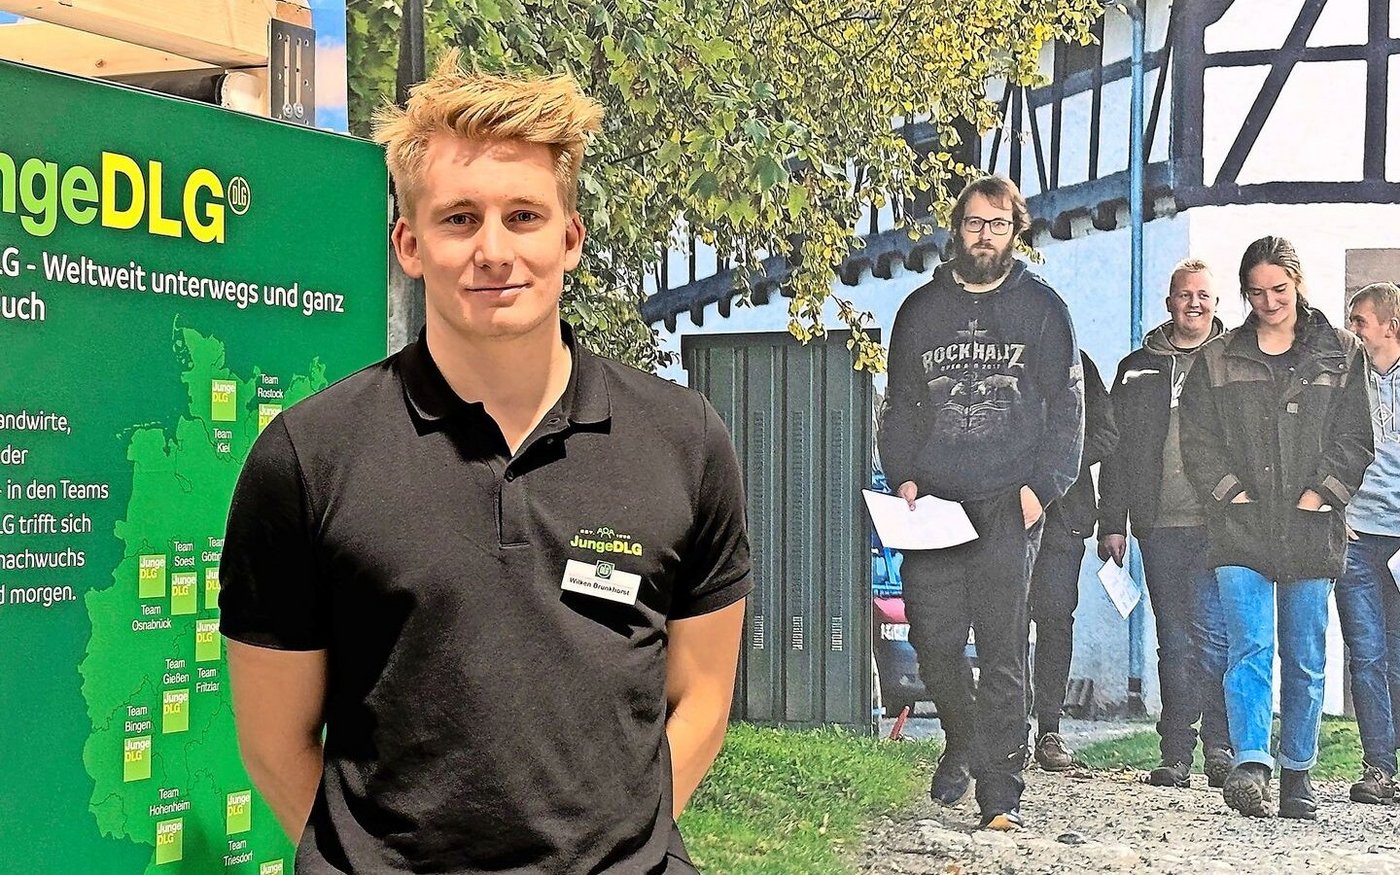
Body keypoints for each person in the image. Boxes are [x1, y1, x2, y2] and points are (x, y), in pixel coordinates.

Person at [218, 55, 751, 874]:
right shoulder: (308, 456)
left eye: (524, 216)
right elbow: (272, 739)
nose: (494, 250)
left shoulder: (684, 441)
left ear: (570, 238)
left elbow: (702, 698)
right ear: (409, 243)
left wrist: (616, 850)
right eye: (459, 218)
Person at [879, 174, 1084, 830]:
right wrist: (903, 476)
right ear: (957, 229)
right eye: (974, 223)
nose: (985, 235)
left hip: (1008, 501)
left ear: (1016, 230)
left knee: (1002, 647)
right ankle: (962, 737)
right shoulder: (920, 310)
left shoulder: (1043, 309)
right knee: (933, 637)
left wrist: (1041, 490)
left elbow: (1068, 408)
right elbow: (899, 406)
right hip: (935, 501)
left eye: (998, 224)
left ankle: (1001, 793)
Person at [1181, 236, 1372, 819]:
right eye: (1257, 292)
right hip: (1241, 527)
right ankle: (1251, 764)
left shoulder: (1341, 352)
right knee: (1251, 646)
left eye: (1279, 290)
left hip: (1312, 526)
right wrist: (1230, 494)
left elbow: (1356, 437)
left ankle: (1298, 774)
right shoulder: (1218, 357)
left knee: (1306, 655)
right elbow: (1197, 440)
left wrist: (1323, 494)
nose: (1269, 302)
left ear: (1298, 283)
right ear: (1244, 293)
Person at [1096, 259, 1233, 789]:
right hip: (1159, 526)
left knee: (1215, 638)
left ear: (1216, 303)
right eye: (1185, 295)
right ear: (1169, 302)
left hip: (1220, 525)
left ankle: (1221, 748)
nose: (1194, 303)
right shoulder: (1137, 368)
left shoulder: (1234, 360)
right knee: (1173, 642)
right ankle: (1175, 753)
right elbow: (1116, 451)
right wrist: (1113, 521)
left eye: (1204, 295)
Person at [1028, 350, 1117, 771]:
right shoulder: (998, 358)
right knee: (1003, 619)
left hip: (1063, 516)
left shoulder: (1077, 362)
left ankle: (1049, 729)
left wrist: (1059, 462)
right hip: (1000, 511)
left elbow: (1107, 434)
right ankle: (1008, 731)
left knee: (1055, 619)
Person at [1336, 281, 1400, 805]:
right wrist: (1335, 510)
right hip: (1355, 537)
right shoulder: (1342, 379)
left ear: (1390, 326)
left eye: (1360, 321)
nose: (1352, 329)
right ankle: (1379, 766)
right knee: (1366, 654)